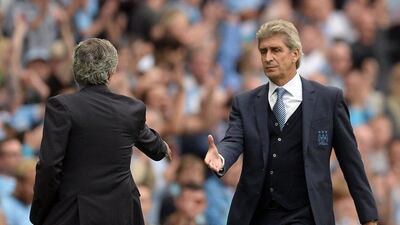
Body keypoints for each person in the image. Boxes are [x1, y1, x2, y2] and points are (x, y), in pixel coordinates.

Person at [204, 19, 378, 225]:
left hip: (308, 216)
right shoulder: (245, 102)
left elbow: (351, 162)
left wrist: (368, 218)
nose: (268, 58)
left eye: (276, 50)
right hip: (256, 216)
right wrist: (221, 158)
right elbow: (233, 140)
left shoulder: (328, 100)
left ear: (295, 54)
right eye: (263, 51)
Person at [29, 38, 172, 225]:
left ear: (75, 70)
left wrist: (39, 212)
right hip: (122, 214)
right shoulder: (130, 109)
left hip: (75, 213)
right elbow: (155, 149)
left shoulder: (62, 106)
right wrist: (162, 146)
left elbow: (49, 166)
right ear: (111, 72)